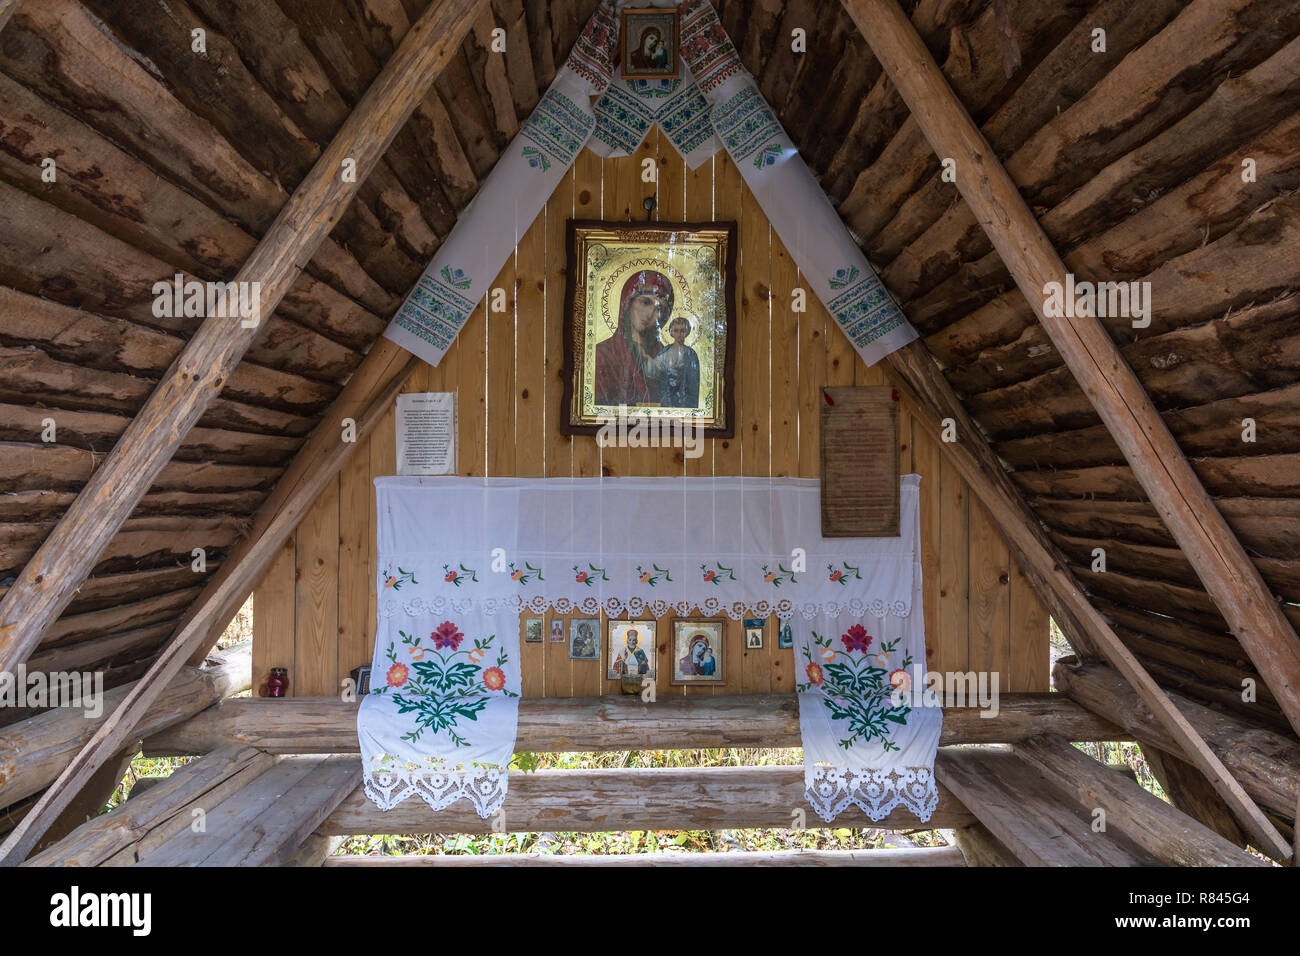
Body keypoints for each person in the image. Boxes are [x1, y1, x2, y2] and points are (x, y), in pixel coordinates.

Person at [594, 270, 674, 406]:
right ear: (627, 303)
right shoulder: (603, 354)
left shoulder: (666, 356)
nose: (650, 314)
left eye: (659, 308)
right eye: (645, 302)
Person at [647, 315, 700, 408]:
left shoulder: (691, 354)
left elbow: (693, 382)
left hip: (684, 399)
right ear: (671, 332)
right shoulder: (665, 351)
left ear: (687, 332)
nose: (679, 334)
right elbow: (653, 371)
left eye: (682, 331)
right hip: (666, 398)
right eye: (676, 330)